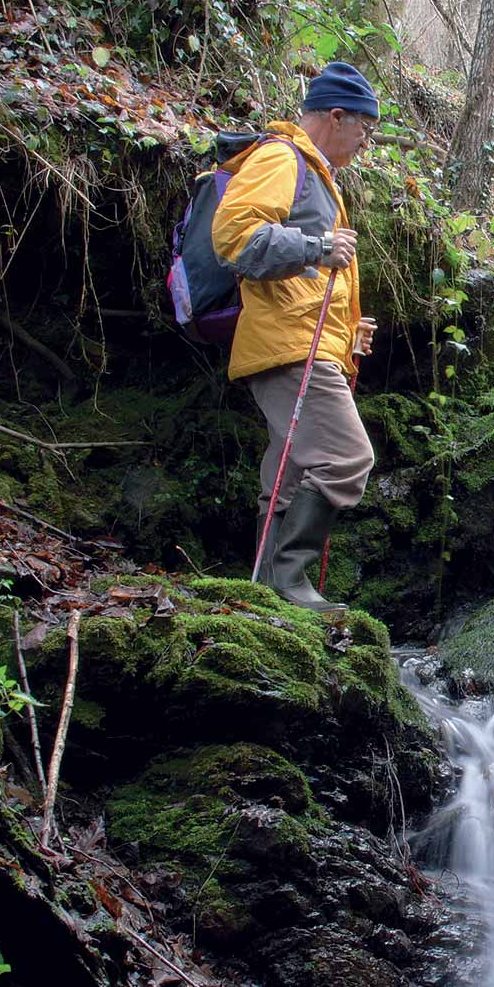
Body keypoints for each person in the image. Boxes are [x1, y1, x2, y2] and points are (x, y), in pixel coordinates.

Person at [211, 61, 382, 614]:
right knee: (347, 457)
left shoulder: (316, 175)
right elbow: (235, 237)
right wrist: (316, 248)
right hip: (287, 348)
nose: (365, 142)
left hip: (301, 345)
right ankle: (290, 580)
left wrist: (349, 333)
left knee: (287, 473)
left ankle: (266, 592)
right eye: (364, 128)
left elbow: (312, 285)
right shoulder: (281, 158)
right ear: (337, 116)